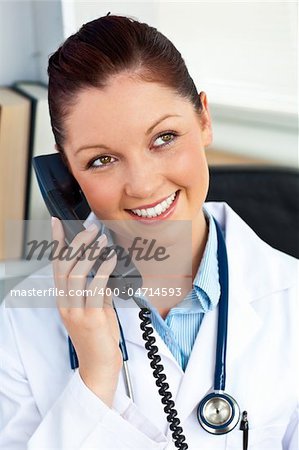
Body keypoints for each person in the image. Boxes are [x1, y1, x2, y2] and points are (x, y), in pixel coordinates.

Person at [0, 14, 297, 450]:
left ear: (204, 120)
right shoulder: (22, 324)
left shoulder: (291, 300)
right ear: (66, 179)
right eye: (101, 160)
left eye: (164, 137)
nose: (141, 184)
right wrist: (96, 375)